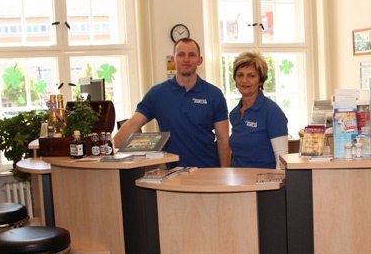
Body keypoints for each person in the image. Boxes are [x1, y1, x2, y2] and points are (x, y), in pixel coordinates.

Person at [113, 38, 230, 168]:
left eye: (191, 55)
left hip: (208, 170)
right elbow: (132, 125)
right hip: (172, 174)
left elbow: (223, 139)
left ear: (200, 60)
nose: (186, 59)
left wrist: (224, 173)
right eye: (181, 55)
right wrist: (108, 150)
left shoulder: (214, 95)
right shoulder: (157, 94)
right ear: (173, 60)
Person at [228, 51, 288, 169]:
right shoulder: (234, 114)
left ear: (261, 80)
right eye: (240, 75)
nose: (245, 80)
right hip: (238, 183)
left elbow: (281, 160)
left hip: (265, 184)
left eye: (251, 75)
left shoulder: (272, 112)